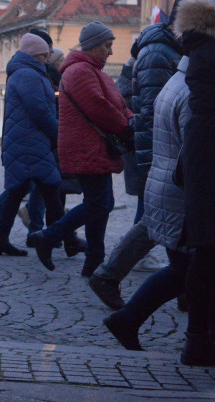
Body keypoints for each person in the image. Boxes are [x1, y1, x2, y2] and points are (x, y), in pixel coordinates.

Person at [89, 0, 186, 308]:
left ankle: (186, 290)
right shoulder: (158, 51)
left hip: (162, 146)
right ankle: (109, 276)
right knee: (156, 217)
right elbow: (155, 106)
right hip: (162, 147)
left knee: (159, 217)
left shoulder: (167, 48)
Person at [27, 22, 133, 276]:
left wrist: (130, 119)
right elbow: (101, 108)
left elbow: (116, 103)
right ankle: (49, 236)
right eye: (107, 46)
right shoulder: (80, 72)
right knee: (99, 203)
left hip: (94, 148)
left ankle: (94, 261)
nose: (110, 52)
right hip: (87, 148)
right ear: (94, 46)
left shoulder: (92, 71)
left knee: (101, 203)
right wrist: (127, 128)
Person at [103, 53, 192, 350]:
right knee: (185, 269)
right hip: (178, 187)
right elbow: (194, 150)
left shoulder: (176, 81)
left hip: (166, 181)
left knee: (185, 268)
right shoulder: (189, 89)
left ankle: (126, 314)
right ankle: (126, 314)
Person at [0, 34, 68, 257]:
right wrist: (58, 132)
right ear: (35, 55)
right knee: (51, 188)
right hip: (29, 142)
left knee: (19, 191)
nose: (47, 59)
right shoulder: (28, 75)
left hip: (26, 141)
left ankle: (1, 239)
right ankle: (58, 237)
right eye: (45, 55)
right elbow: (40, 111)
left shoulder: (26, 72)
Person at [174, 0, 215, 366]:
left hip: (199, 157)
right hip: (210, 157)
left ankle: (199, 339)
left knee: (203, 251)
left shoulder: (194, 54)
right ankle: (200, 340)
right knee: (208, 252)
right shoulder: (212, 54)